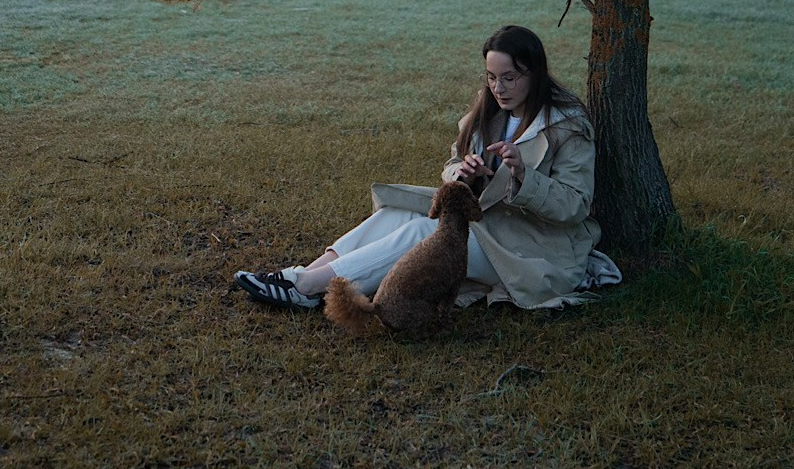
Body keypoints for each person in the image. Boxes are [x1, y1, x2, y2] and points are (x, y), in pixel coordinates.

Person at [234, 25, 621, 312]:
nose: (498, 88)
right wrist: (461, 173)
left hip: (533, 247)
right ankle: (298, 276)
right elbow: (452, 163)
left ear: (534, 74)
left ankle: (303, 289)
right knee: (395, 214)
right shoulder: (488, 112)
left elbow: (575, 206)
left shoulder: (567, 126)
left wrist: (525, 177)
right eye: (491, 78)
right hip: (487, 225)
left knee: (427, 229)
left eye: (509, 78)